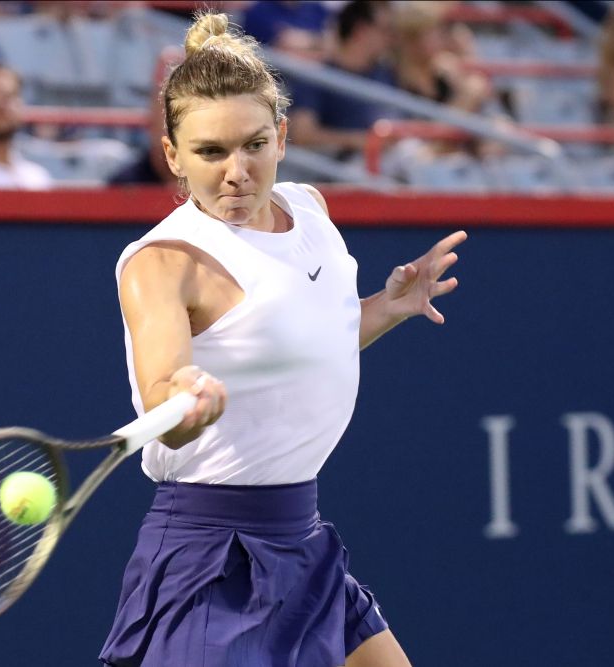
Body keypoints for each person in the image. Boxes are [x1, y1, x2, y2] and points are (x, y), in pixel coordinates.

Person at [100, 13, 466, 667]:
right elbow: (164, 392)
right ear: (173, 155)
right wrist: (184, 398)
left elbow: (298, 351)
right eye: (210, 152)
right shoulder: (162, 262)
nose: (236, 171)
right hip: (209, 557)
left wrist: (387, 306)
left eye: (253, 145)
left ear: (283, 138)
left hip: (302, 539)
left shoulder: (310, 210)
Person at [287, 0, 397, 158]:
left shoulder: (385, 73)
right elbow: (302, 134)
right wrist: (357, 140)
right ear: (361, 31)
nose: (390, 39)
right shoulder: (317, 75)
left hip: (387, 160)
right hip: (341, 165)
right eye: (385, 31)